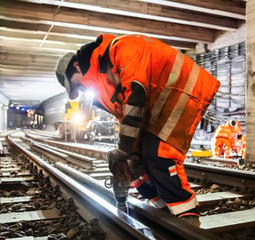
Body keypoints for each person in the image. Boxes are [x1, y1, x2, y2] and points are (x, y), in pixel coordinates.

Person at [55, 34, 220, 227]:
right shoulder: (103, 82)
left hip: (181, 91)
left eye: (76, 83)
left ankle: (188, 219)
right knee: (135, 162)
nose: (81, 89)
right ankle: (164, 210)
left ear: (76, 66)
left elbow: (137, 92)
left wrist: (124, 147)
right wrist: (128, 152)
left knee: (158, 153)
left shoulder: (119, 49)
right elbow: (125, 117)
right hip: (160, 102)